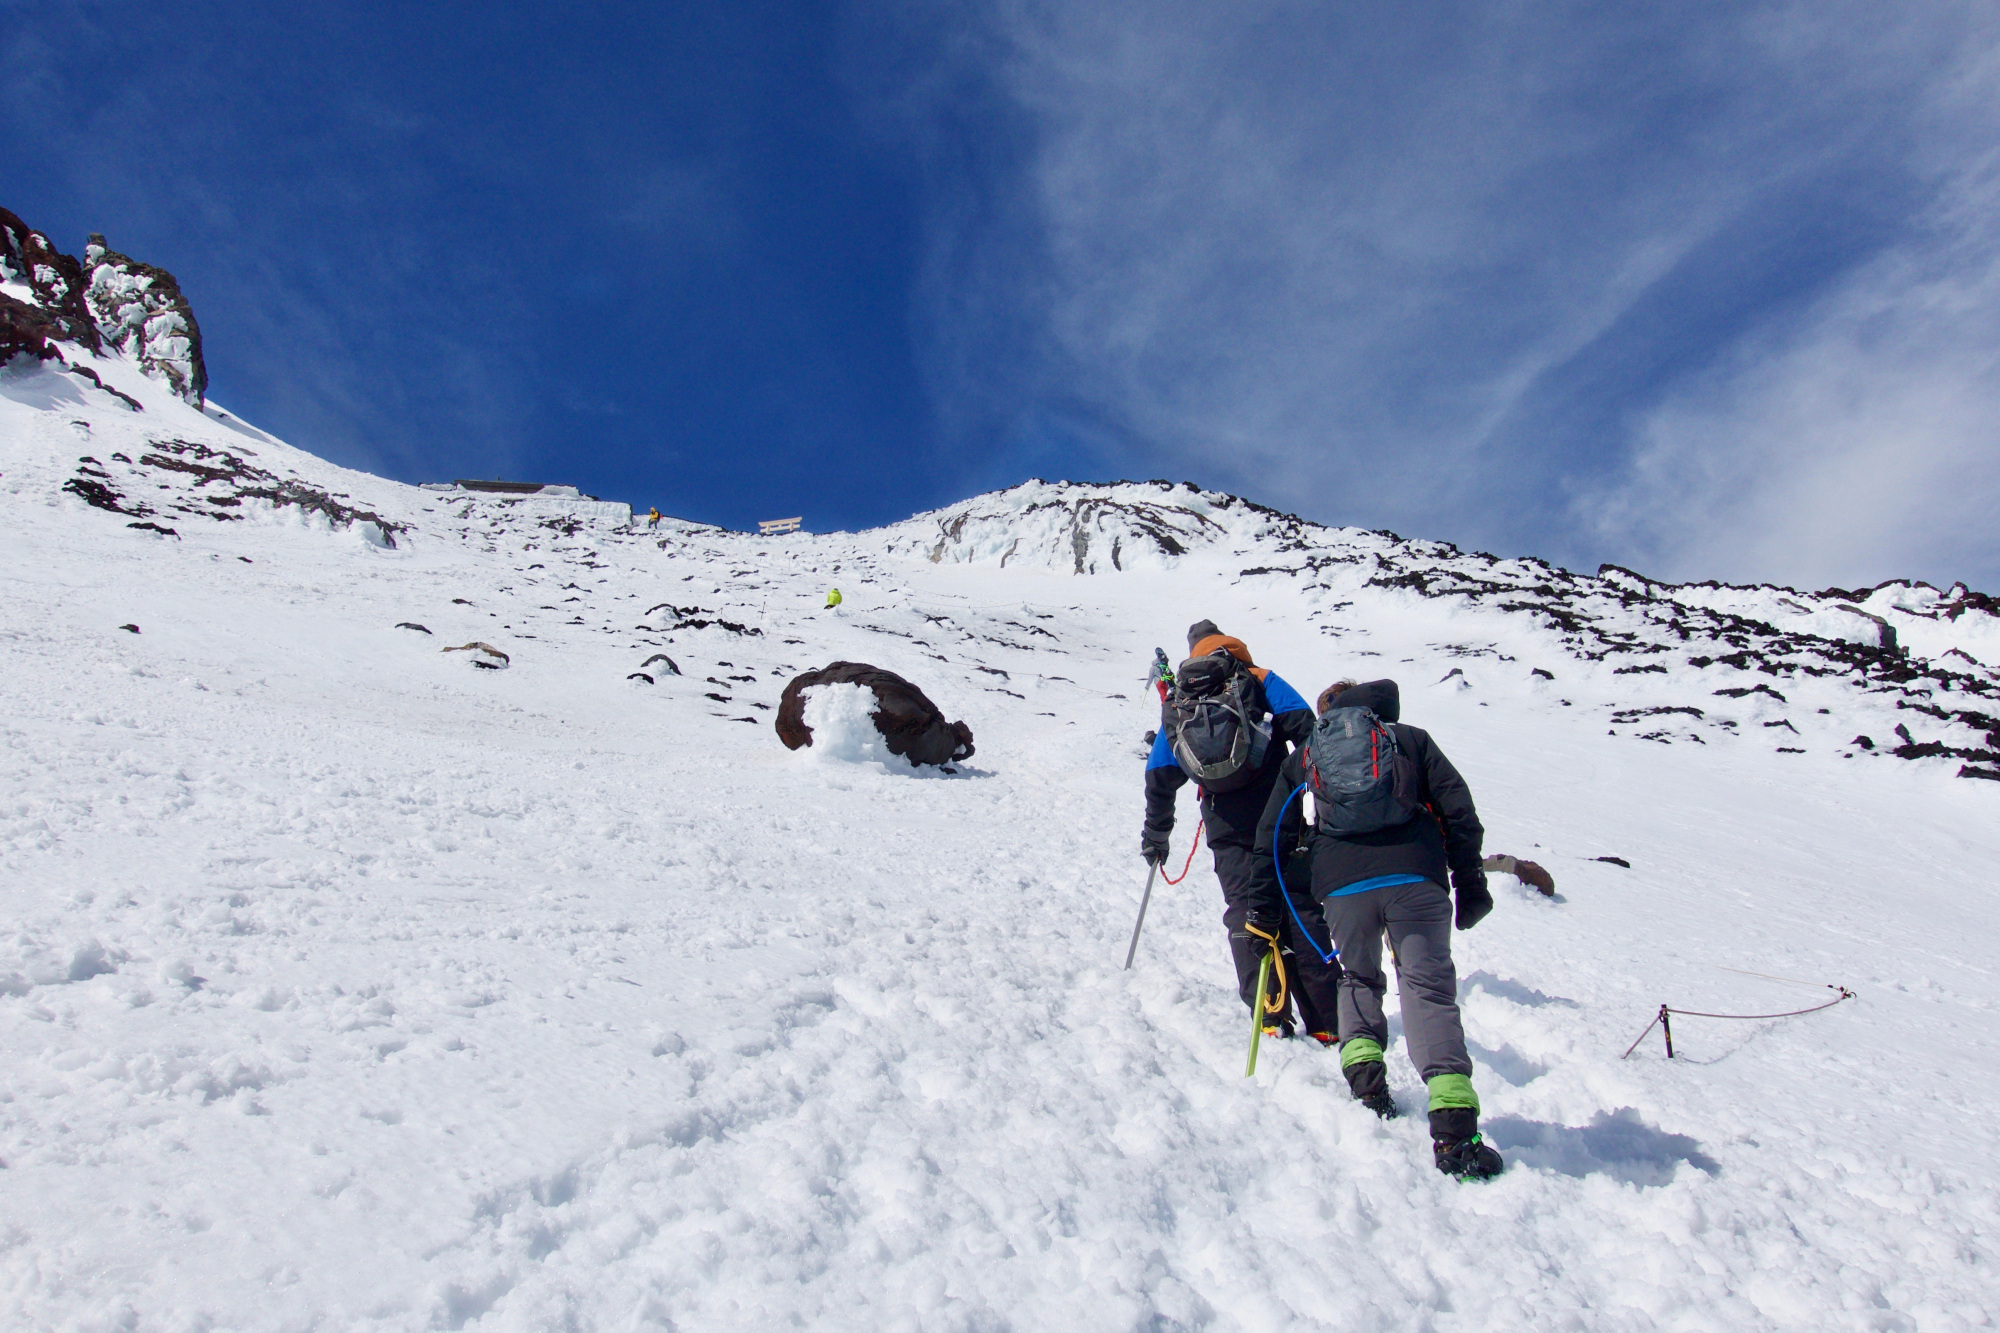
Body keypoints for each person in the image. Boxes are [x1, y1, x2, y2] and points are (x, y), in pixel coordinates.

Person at [1248, 677, 1504, 1180]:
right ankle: (1454, 1131)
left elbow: (1271, 833)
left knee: (1358, 977)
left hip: (1342, 886)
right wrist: (1469, 880)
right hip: (1416, 877)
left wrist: (1262, 911)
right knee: (1426, 987)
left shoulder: (1311, 752)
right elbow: (1459, 810)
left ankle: (1366, 1079)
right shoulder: (1410, 739)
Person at [1142, 620, 1341, 1041]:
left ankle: (1267, 1016)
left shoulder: (1182, 698)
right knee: (1296, 905)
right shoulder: (1257, 677)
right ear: (1229, 643)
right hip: (1280, 809)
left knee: (1245, 908)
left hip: (1224, 821)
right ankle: (1328, 1020)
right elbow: (1307, 728)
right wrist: (1308, 787)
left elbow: (1161, 773)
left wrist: (1156, 836)